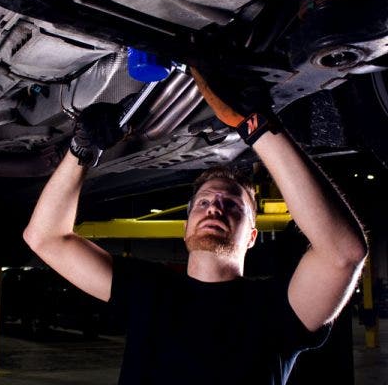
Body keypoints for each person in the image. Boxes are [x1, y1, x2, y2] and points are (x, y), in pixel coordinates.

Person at [23, 67, 367, 384]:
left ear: (251, 236)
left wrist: (259, 127)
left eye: (231, 204)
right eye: (203, 202)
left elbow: (343, 254)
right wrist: (80, 149)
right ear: (186, 226)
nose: (214, 206)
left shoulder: (276, 307)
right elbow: (46, 238)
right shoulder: (149, 291)